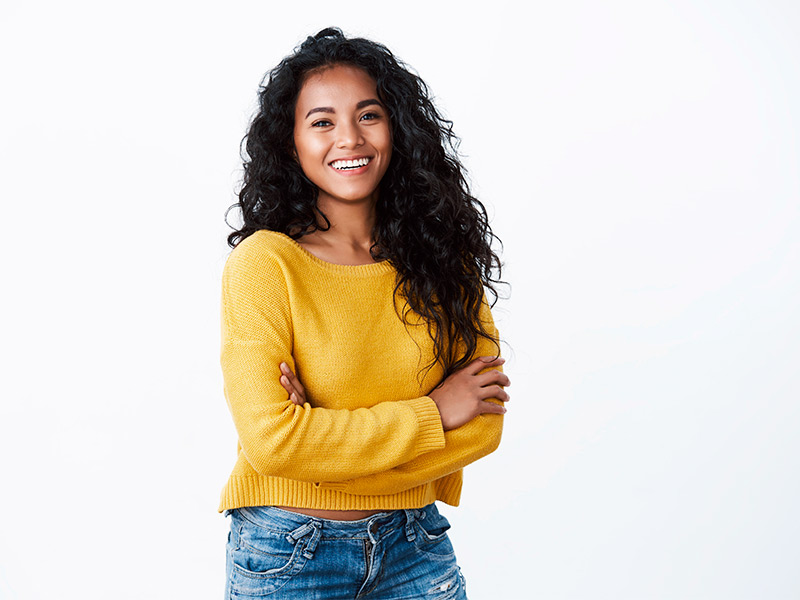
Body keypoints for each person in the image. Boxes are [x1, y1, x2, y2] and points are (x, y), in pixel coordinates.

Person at [219, 27, 510, 599]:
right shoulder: (265, 264)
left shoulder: (440, 257)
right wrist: (433, 414)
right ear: (291, 142)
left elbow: (484, 424)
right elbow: (272, 442)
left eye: (368, 115)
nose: (348, 139)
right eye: (322, 121)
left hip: (415, 545)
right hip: (289, 552)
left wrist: (323, 446)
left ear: (397, 128)